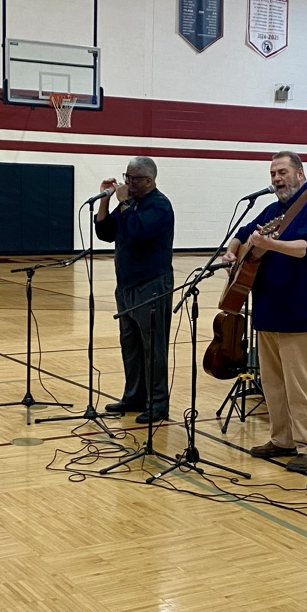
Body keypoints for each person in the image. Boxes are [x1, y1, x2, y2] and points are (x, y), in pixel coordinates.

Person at [222, 151, 307, 473]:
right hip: (270, 312)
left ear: (300, 173)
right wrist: (232, 251)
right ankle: (282, 439)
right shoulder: (274, 209)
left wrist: (271, 245)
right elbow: (244, 233)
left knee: (305, 385)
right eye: (273, 173)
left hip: (305, 315)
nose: (277, 179)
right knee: (274, 384)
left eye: (283, 172)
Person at [94, 157, 174, 425]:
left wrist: (124, 202)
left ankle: (158, 403)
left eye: (132, 178)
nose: (127, 182)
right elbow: (106, 232)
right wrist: (105, 199)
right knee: (130, 343)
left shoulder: (160, 206)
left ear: (148, 181)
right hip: (126, 285)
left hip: (151, 285)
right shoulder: (131, 204)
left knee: (154, 346)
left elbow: (138, 232)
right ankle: (135, 397)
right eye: (125, 177)